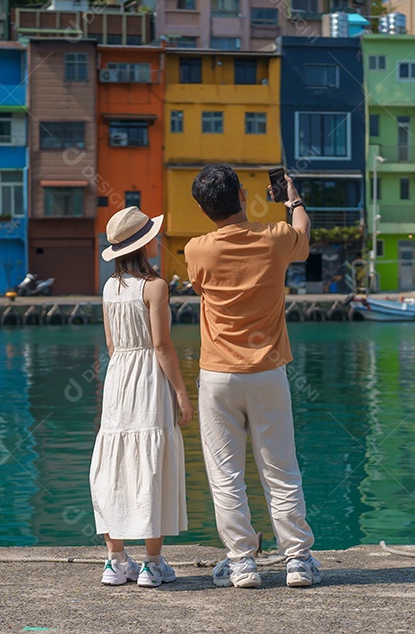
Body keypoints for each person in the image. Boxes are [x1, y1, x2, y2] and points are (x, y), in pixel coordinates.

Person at [185, 163, 322, 589]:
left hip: (218, 376)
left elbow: (200, 290)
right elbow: (302, 231)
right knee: (281, 470)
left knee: (225, 474)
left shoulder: (196, 250)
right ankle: (297, 560)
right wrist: (292, 197)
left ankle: (242, 562)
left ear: (206, 210)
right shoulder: (276, 239)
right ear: (243, 196)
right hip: (267, 372)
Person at [90, 206, 193, 588]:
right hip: (149, 377)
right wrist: (182, 394)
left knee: (113, 464)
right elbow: (163, 346)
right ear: (146, 242)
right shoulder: (156, 286)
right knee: (153, 461)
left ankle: (115, 561)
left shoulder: (109, 288)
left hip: (118, 376)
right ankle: (151, 563)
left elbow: (112, 344)